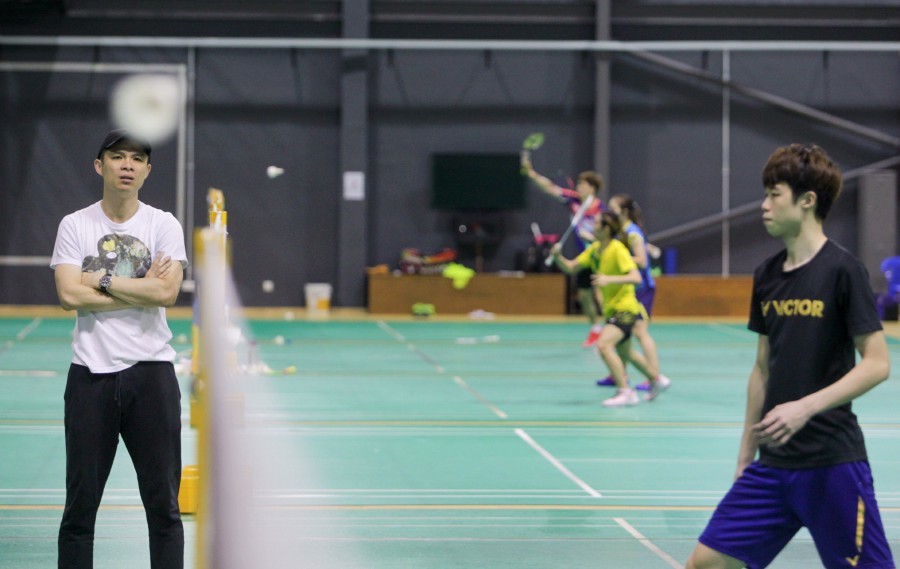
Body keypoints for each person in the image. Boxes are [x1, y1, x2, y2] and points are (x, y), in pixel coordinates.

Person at [686, 144, 895, 569]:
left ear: (807, 200)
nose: (764, 206)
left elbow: (877, 363)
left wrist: (805, 407)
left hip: (832, 464)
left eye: (773, 194)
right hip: (773, 464)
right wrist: (745, 456)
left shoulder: (843, 270)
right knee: (706, 562)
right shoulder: (767, 275)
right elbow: (762, 369)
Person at [50, 129, 188, 569]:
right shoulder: (75, 225)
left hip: (152, 377)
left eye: (137, 159)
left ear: (147, 171)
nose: (127, 164)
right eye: (117, 157)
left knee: (164, 508)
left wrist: (102, 279)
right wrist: (139, 288)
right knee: (79, 509)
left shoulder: (163, 224)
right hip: (90, 377)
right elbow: (68, 295)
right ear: (100, 166)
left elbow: (166, 293)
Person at [551, 211, 666, 407]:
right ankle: (656, 380)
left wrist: (608, 279)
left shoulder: (617, 249)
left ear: (606, 229)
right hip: (612, 310)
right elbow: (571, 267)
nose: (592, 227)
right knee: (627, 353)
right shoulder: (595, 250)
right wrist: (557, 256)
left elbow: (636, 277)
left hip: (626, 308)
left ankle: (626, 392)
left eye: (596, 224)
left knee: (604, 345)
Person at [522, 156, 605, 347]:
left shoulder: (602, 211)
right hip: (584, 257)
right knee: (584, 295)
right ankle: (596, 328)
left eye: (583, 184)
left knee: (600, 293)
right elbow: (550, 188)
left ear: (592, 188)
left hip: (599, 256)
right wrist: (531, 173)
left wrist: (591, 238)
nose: (579, 187)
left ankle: (612, 328)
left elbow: (608, 238)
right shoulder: (573, 201)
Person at [596, 194, 671, 393]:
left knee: (640, 332)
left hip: (642, 288)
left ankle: (654, 376)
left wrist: (618, 257)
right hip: (629, 289)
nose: (609, 211)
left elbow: (642, 261)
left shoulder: (632, 233)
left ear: (624, 212)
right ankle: (619, 374)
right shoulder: (621, 232)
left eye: (613, 208)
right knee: (624, 337)